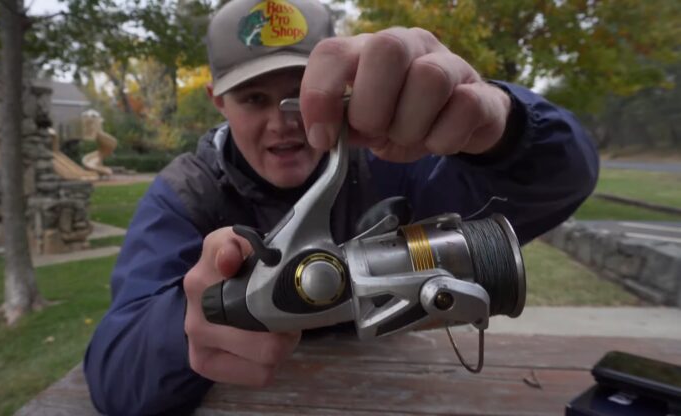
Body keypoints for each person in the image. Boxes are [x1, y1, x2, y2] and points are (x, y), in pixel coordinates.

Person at [84, 0, 599, 414]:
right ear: (218, 102)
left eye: (300, 96)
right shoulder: (185, 194)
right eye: (254, 100)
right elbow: (115, 377)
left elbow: (564, 178)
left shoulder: (397, 163)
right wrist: (192, 317)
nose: (284, 122)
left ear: (345, 92)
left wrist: (502, 127)